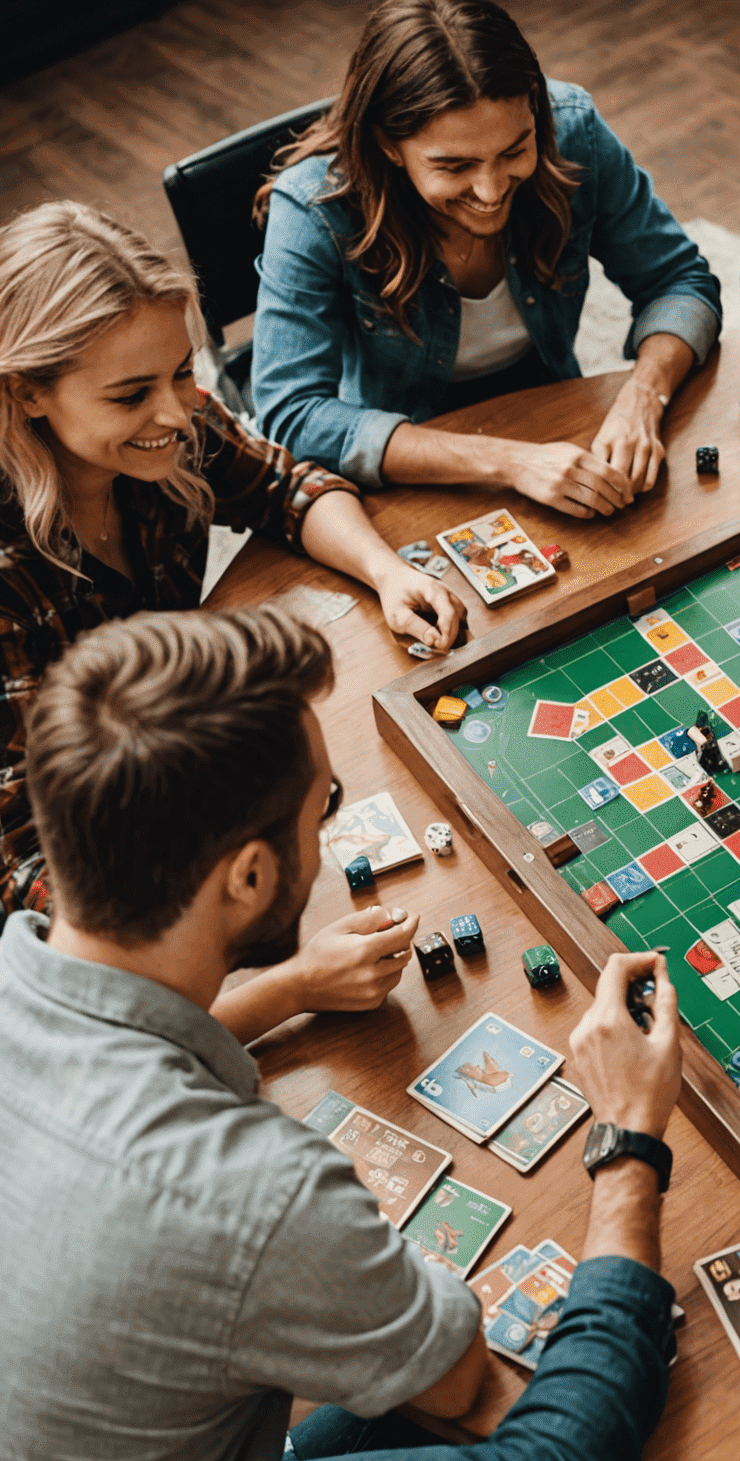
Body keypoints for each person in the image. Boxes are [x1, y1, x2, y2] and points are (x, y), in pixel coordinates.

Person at [0, 603, 683, 1461]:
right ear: (246, 877)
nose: (330, 831)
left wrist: (284, 988)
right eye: (323, 807)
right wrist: (630, 1137)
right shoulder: (250, 1192)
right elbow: (467, 1401)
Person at [0, 198, 465, 1039]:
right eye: (133, 393)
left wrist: (388, 571)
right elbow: (53, 915)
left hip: (193, 793)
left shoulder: (168, 424)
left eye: (183, 371)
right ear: (29, 394)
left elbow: (287, 487)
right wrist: (290, 988)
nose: (178, 414)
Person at [252, 0, 721, 519]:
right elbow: (293, 412)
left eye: (515, 151)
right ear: (388, 144)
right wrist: (509, 462)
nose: (492, 191)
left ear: (535, 112)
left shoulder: (573, 132)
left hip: (550, 403)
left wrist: (643, 396)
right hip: (402, 456)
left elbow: (679, 280)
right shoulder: (313, 209)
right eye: (455, 166)